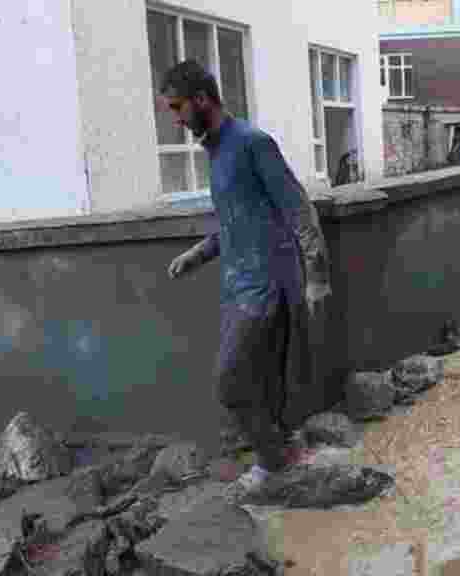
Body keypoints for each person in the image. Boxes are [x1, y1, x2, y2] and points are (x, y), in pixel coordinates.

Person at [161, 60, 333, 502]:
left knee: (230, 382)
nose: (177, 120)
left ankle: (273, 463)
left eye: (178, 108)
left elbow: (299, 210)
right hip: (240, 286)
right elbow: (239, 222)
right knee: (263, 383)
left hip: (268, 289)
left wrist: (317, 278)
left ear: (202, 99)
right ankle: (283, 457)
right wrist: (196, 255)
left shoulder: (253, 144)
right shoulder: (217, 152)